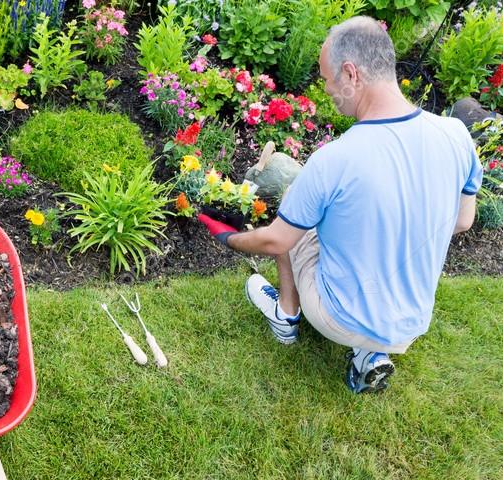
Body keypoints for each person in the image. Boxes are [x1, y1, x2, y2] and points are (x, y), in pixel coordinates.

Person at [199, 16, 482, 394]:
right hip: (411, 321)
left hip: (339, 317)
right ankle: (370, 354)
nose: (326, 87)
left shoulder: (336, 159)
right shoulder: (455, 135)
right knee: (357, 223)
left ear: (351, 74)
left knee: (296, 213)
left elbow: (276, 242)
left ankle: (286, 315)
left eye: (327, 78)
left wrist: (230, 238)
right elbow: (463, 220)